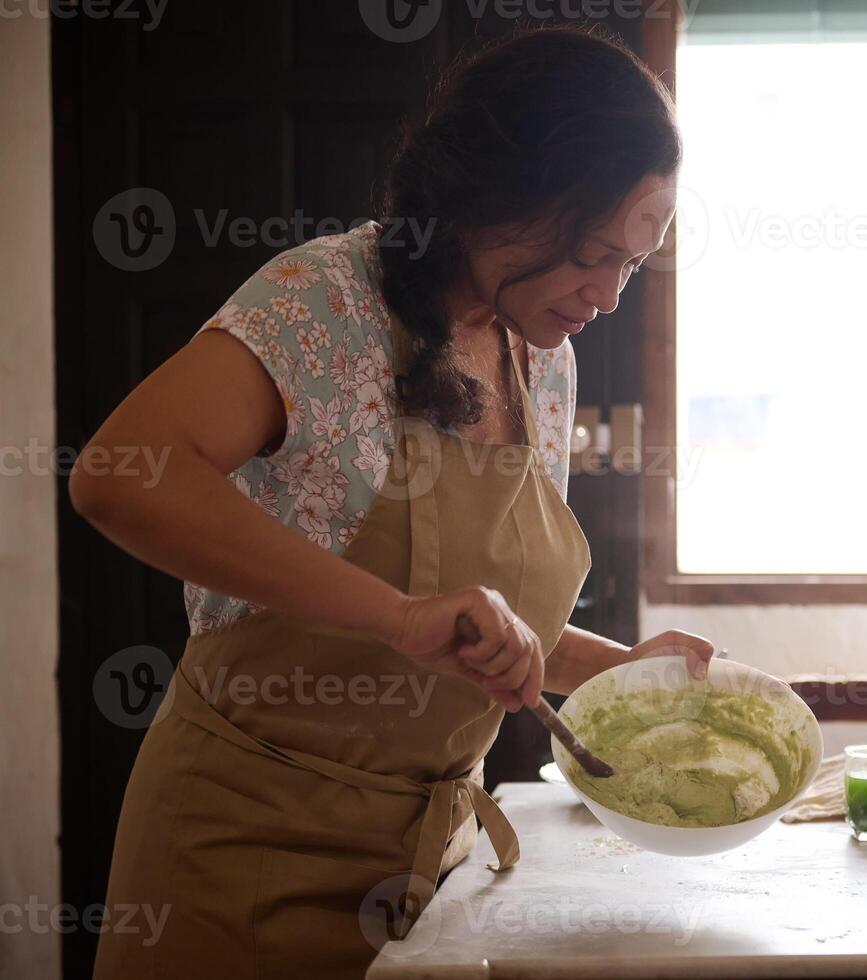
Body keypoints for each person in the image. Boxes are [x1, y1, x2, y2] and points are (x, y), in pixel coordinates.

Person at [72, 27, 712, 978]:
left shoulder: (543, 357)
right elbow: (118, 472)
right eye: (590, 252)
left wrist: (624, 672)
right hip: (244, 848)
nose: (609, 294)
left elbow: (480, 627)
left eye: (631, 264)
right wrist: (399, 616)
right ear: (502, 195)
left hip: (425, 866)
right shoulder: (328, 302)